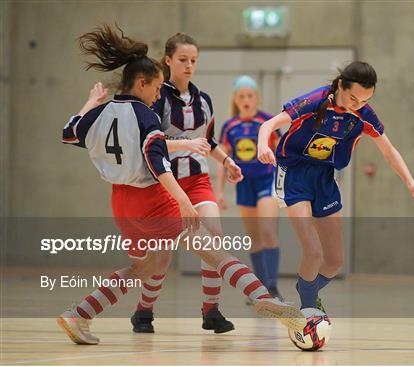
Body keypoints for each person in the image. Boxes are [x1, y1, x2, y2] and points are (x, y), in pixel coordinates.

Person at [59, 24, 304, 345]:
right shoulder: (146, 116)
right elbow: (157, 161)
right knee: (215, 250)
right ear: (142, 83)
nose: (159, 94)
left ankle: (80, 314)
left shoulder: (102, 113)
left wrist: (91, 101)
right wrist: (184, 202)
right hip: (154, 198)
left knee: (147, 267)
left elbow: (69, 132)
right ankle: (264, 298)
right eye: (157, 88)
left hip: (121, 202)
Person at [258, 61, 414, 312]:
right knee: (313, 252)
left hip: (324, 176)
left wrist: (410, 182)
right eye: (353, 98)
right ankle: (308, 313)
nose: (357, 104)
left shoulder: (362, 114)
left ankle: (307, 289)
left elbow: (388, 151)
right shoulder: (316, 101)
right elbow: (269, 124)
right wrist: (263, 145)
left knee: (335, 261)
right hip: (293, 172)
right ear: (340, 85)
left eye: (364, 100)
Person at [129, 33, 242, 334]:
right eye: (183, 60)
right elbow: (151, 143)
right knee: (161, 257)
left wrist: (227, 162)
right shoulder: (157, 97)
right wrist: (188, 144)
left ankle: (211, 311)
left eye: (193, 60)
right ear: (167, 60)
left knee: (215, 238)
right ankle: (144, 311)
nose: (189, 65)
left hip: (198, 179)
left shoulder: (203, 99)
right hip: (166, 184)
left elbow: (209, 140)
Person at [217, 75, 283, 302]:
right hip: (244, 185)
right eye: (241, 96)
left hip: (266, 181)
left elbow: (281, 154)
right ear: (236, 99)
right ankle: (260, 289)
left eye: (250, 95)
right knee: (254, 237)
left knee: (267, 230)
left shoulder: (267, 122)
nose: (246, 100)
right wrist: (218, 191)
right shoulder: (230, 126)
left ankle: (272, 287)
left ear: (257, 98)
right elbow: (223, 159)